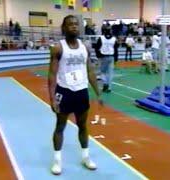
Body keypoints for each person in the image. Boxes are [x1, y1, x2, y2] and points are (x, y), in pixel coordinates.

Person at [48, 15, 103, 175]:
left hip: (81, 92)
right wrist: (52, 98)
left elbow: (90, 70)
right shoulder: (58, 48)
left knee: (83, 125)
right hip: (64, 92)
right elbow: (52, 75)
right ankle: (57, 160)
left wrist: (98, 93)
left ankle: (85, 157)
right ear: (63, 28)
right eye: (70, 24)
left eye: (76, 24)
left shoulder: (85, 47)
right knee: (60, 127)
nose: (74, 26)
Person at [95, 25, 118, 93]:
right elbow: (116, 49)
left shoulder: (101, 38)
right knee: (110, 73)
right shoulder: (114, 39)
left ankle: (105, 83)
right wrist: (116, 58)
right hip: (111, 57)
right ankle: (109, 87)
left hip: (103, 57)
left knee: (102, 72)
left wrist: (98, 56)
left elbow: (97, 48)